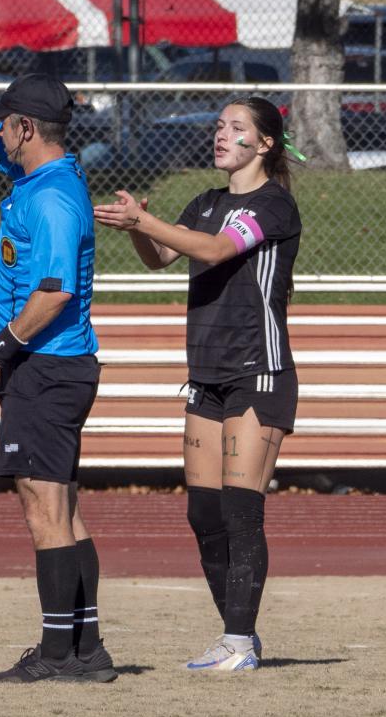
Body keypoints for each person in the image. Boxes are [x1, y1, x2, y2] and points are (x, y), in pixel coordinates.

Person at [0, 6, 109, 685]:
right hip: (47, 369)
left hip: (46, 367)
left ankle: (59, 652)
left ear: (28, 129)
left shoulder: (55, 196)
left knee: (42, 509)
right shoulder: (30, 169)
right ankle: (86, 648)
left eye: (9, 121)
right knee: (60, 508)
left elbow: (54, 291)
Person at [94, 98, 303, 673]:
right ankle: (238, 635)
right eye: (218, 126)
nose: (221, 135)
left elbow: (213, 251)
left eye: (236, 129)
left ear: (263, 145)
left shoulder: (274, 206)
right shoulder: (206, 202)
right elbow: (161, 255)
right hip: (206, 376)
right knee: (203, 516)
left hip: (257, 374)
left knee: (242, 511)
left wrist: (145, 221)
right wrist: (140, 225)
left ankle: (238, 642)